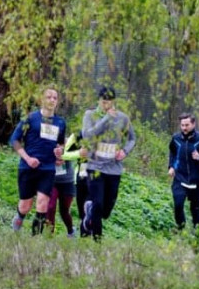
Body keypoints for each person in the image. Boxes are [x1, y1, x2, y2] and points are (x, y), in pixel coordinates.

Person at [80, 85, 136, 241]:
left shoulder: (123, 118)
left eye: (109, 102)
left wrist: (125, 151)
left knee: (106, 210)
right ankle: (97, 241)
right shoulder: (90, 115)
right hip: (94, 166)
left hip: (113, 168)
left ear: (114, 101)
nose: (106, 105)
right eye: (104, 102)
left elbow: (132, 138)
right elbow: (88, 135)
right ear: (99, 100)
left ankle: (89, 213)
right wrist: (105, 119)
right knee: (97, 203)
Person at [9, 88, 66, 236]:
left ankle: (35, 239)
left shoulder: (60, 122)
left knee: (42, 203)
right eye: (49, 97)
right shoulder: (30, 118)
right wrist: (27, 158)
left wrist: (60, 153)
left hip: (47, 169)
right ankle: (18, 221)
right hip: (28, 167)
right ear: (42, 99)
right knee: (25, 206)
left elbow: (60, 145)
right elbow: (14, 140)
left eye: (55, 98)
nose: (52, 100)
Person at [168, 112, 199, 232]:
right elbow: (172, 153)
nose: (184, 128)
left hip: (197, 180)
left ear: (194, 124)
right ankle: (181, 228)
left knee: (195, 209)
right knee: (178, 204)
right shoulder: (176, 139)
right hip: (180, 178)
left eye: (187, 125)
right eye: (182, 125)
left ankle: (198, 234)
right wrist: (171, 167)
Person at [45, 130, 82, 237]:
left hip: (68, 182)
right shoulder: (48, 142)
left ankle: (71, 231)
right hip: (52, 180)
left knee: (64, 211)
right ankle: (49, 234)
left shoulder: (68, 143)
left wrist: (65, 156)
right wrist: (52, 160)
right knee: (50, 207)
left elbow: (78, 153)